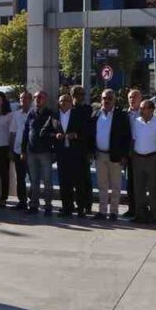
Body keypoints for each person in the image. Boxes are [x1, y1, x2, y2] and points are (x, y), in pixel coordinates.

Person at [43, 92, 91, 217]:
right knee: (64, 183)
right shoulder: (54, 116)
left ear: (71, 103)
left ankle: (81, 208)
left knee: (79, 182)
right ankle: (67, 208)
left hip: (76, 154)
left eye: (67, 101)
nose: (64, 103)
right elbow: (44, 132)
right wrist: (55, 135)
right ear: (59, 103)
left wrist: (76, 135)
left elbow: (87, 132)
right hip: (62, 154)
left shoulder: (78, 115)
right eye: (62, 101)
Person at [92, 89, 132, 220]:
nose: (107, 100)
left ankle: (114, 212)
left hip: (115, 155)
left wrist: (124, 155)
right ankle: (102, 211)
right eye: (104, 98)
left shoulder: (121, 115)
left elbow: (127, 137)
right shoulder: (95, 114)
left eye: (109, 98)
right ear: (101, 99)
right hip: (100, 154)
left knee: (116, 186)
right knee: (102, 184)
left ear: (114, 100)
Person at [130, 98, 156, 223]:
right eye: (140, 108)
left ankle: (155, 215)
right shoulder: (137, 122)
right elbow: (134, 139)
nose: (140, 110)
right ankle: (140, 214)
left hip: (152, 158)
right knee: (138, 189)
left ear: (151, 110)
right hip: (138, 158)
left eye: (143, 108)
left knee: (153, 189)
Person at [22, 90, 55, 215]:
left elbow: (54, 132)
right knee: (34, 180)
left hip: (45, 152)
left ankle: (48, 206)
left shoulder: (50, 114)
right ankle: (34, 204)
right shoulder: (31, 113)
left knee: (47, 180)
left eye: (40, 97)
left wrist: (53, 151)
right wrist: (23, 149)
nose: (37, 99)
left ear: (45, 99)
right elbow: (26, 132)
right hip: (31, 151)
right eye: (35, 97)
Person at [69, 85, 95, 215]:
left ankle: (87, 205)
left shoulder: (87, 109)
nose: (81, 97)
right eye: (78, 94)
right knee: (74, 179)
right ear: (73, 95)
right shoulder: (68, 109)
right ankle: (77, 204)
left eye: (83, 94)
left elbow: (89, 130)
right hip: (70, 149)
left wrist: (90, 150)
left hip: (84, 148)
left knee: (85, 179)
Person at [122, 88, 143, 220]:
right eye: (130, 97)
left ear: (140, 99)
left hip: (142, 153)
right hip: (128, 154)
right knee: (130, 182)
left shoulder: (146, 113)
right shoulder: (123, 114)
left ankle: (141, 209)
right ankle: (132, 208)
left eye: (135, 97)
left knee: (141, 183)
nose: (132, 99)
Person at [10, 90, 33, 209]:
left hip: (31, 150)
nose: (23, 101)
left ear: (30, 100)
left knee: (33, 177)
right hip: (18, 150)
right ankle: (22, 200)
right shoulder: (16, 114)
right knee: (20, 177)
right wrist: (11, 149)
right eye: (21, 98)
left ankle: (33, 200)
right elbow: (13, 133)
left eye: (25, 98)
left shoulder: (34, 113)